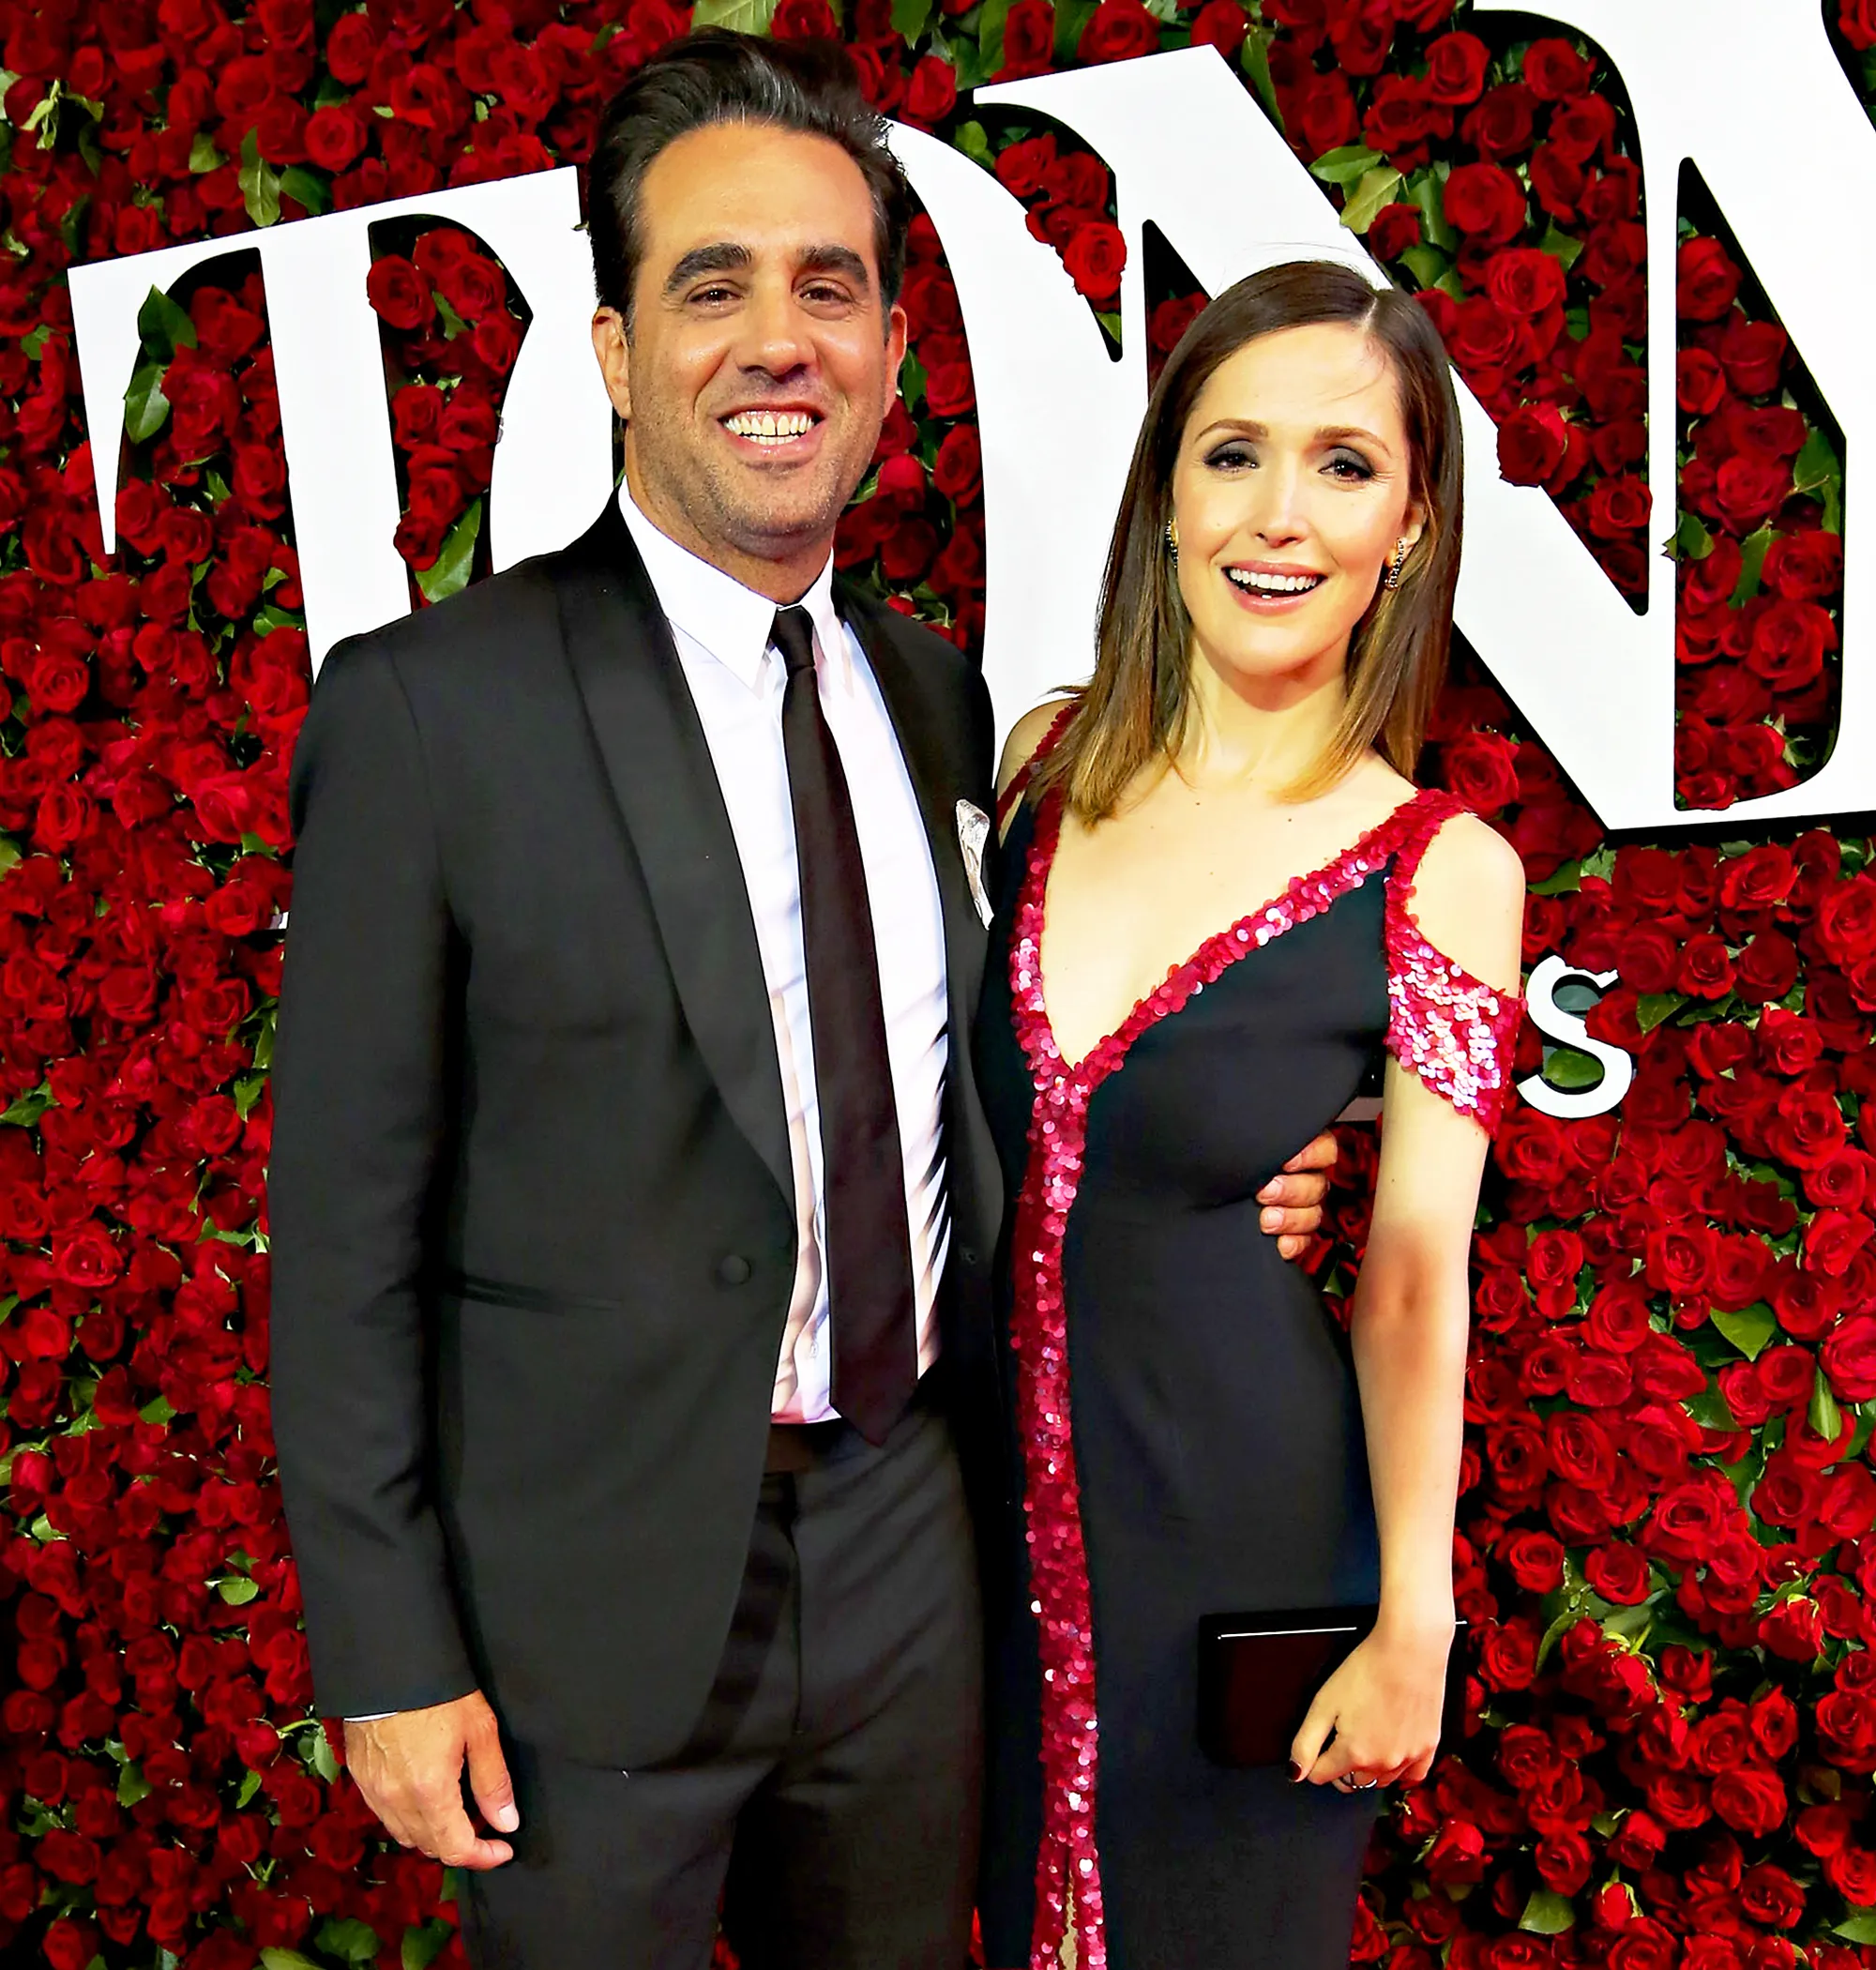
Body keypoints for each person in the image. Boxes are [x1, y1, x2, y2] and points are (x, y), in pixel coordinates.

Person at [266, 32, 1337, 1970]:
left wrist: (1234, 1175)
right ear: (610, 352)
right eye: (712, 284)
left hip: (910, 1552)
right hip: (581, 1604)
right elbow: (339, 1236)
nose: (780, 339)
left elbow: (1011, 1080)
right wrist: (387, 1653)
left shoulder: (935, 702)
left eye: (826, 286)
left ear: (890, 352)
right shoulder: (430, 714)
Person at [976, 259, 1527, 1970]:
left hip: (1247, 1545)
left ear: (1412, 528)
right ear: (1165, 496)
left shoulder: (1440, 870)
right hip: (965, 1556)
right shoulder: (1040, 772)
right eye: (1233, 454)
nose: (1280, 514)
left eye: (1346, 465)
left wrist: (1412, 1628)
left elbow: (1419, 1268)